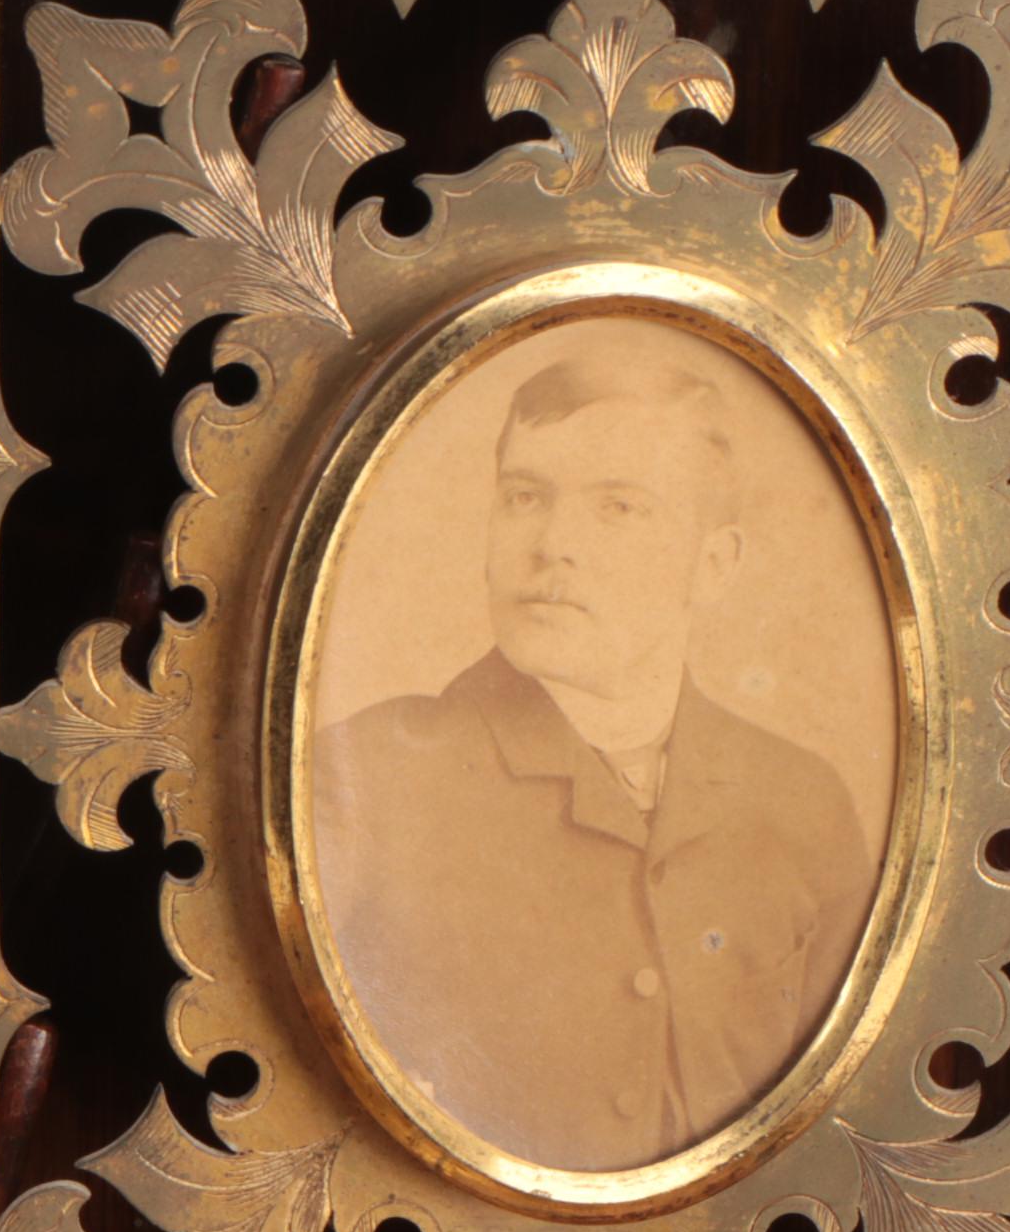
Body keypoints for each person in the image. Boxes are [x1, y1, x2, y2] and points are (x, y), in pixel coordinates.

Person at [314, 338, 877, 1174]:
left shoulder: (801, 800)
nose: (551, 544)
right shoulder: (366, 776)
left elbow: (844, 1130)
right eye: (525, 496)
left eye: (619, 506)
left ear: (713, 563)